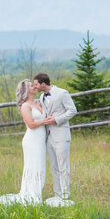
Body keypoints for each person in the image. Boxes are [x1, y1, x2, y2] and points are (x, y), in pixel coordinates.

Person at [0, 79, 48, 205]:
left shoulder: (38, 102)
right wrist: (44, 121)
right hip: (32, 140)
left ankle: (37, 192)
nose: (34, 86)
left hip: (40, 140)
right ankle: (31, 195)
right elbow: (31, 124)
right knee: (32, 166)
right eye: (31, 86)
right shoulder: (25, 106)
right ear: (26, 90)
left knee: (40, 166)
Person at [33, 73, 77, 207]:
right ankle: (57, 194)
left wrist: (57, 120)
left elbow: (73, 111)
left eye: (36, 84)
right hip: (49, 137)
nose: (35, 87)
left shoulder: (62, 93)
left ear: (43, 84)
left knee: (63, 166)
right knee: (54, 167)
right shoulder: (41, 96)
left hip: (61, 135)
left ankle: (65, 195)